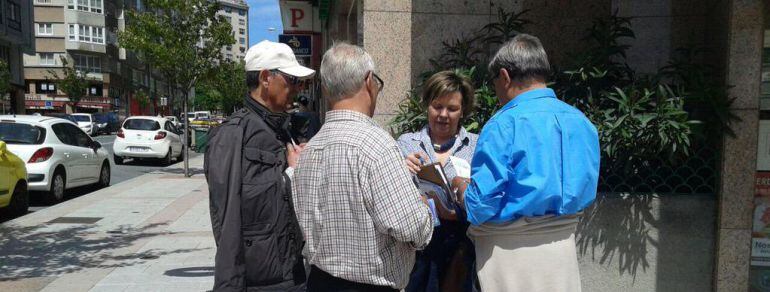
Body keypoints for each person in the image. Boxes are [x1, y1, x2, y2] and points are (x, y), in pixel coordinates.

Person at [452, 34, 600, 292]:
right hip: (562, 250)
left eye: (495, 81)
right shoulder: (581, 121)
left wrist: (460, 188)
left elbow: (480, 205)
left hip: (507, 255)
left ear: (505, 77)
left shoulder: (503, 124)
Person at [291, 42, 434, 292]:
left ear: (325, 89)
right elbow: (412, 228)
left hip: (319, 281)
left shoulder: (309, 150)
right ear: (369, 81)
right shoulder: (377, 145)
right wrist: (422, 205)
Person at [204, 40, 314, 292]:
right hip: (261, 282)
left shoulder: (282, 129)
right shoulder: (233, 134)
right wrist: (291, 173)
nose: (299, 89)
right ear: (266, 78)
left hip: (293, 271)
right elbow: (228, 220)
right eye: (292, 80)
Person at [396, 70, 479, 292]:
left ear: (463, 111)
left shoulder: (476, 146)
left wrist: (457, 209)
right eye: (437, 106)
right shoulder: (406, 143)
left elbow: (483, 199)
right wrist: (401, 169)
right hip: (419, 248)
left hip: (460, 246)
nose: (443, 114)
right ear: (427, 106)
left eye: (452, 109)